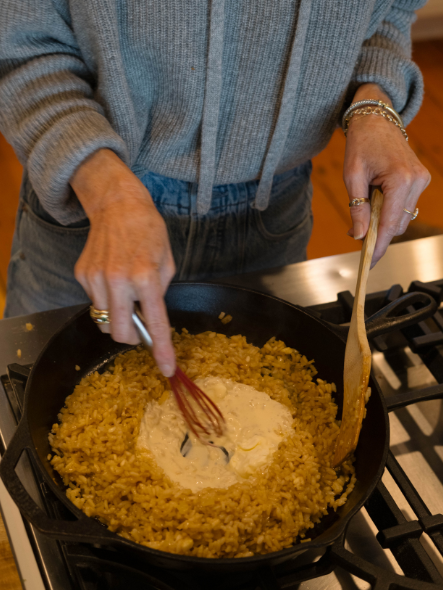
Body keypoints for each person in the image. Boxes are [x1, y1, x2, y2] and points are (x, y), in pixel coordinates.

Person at [0, 1, 430, 377]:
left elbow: (388, 12)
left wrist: (374, 104)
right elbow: (22, 45)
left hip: (273, 213)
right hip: (90, 205)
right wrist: (107, 190)